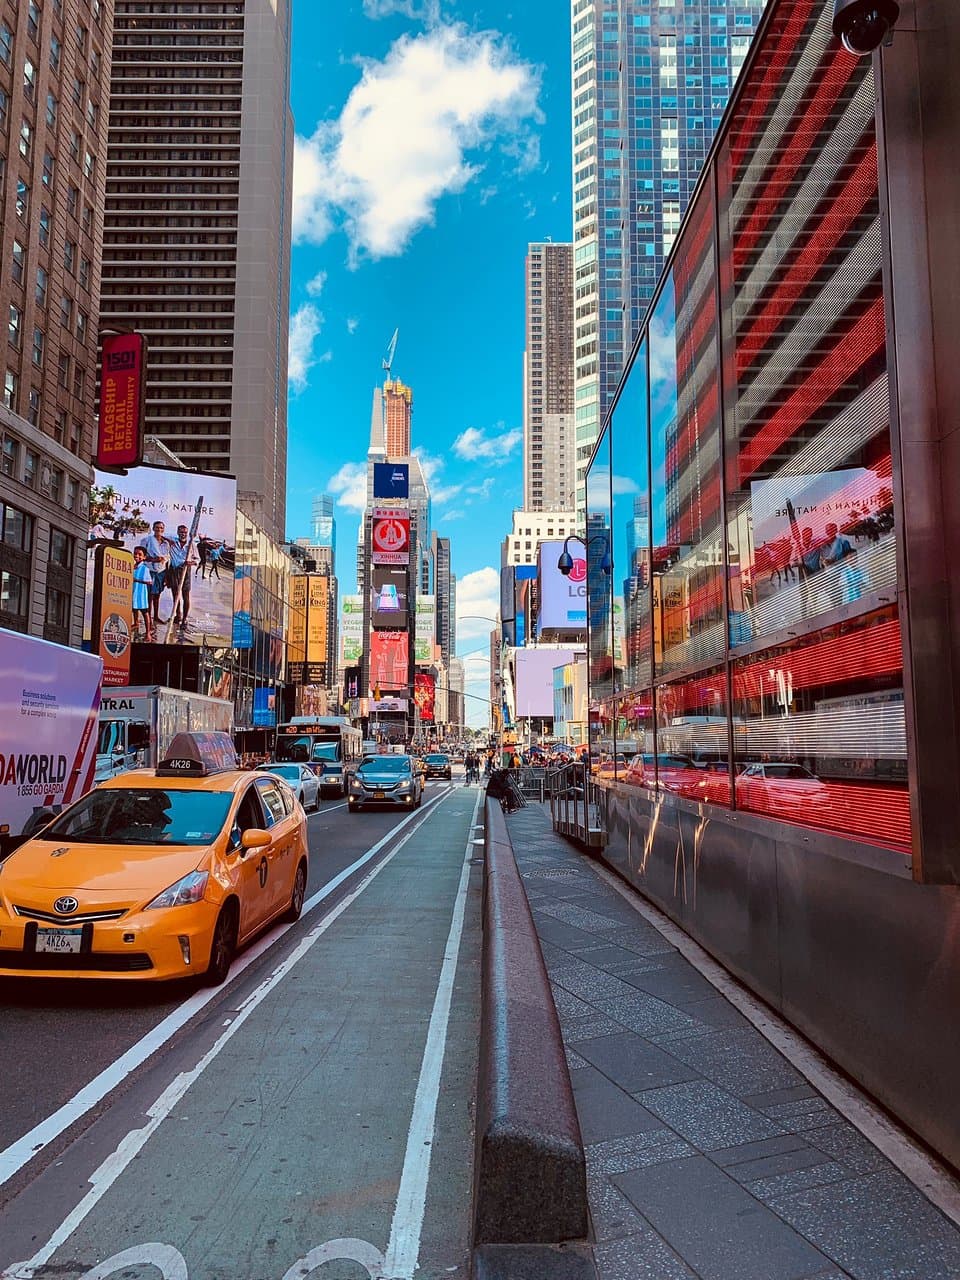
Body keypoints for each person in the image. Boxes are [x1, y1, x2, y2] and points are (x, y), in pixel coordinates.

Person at [138, 520, 171, 629]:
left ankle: (156, 616)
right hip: (150, 570)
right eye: (157, 527)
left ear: (163, 529)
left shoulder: (166, 543)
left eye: (161, 528)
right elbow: (141, 556)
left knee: (157, 595)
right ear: (153, 528)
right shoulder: (147, 540)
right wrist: (154, 559)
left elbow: (167, 559)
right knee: (150, 596)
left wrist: (166, 575)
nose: (159, 530)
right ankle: (148, 620)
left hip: (161, 572)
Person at [166, 525, 198, 634]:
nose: (183, 534)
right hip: (174, 570)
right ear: (177, 532)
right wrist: (168, 541)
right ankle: (177, 615)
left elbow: (197, 559)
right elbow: (161, 536)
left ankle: (184, 619)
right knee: (175, 594)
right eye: (181, 532)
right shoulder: (173, 542)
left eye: (184, 532)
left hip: (185, 571)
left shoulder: (191, 544)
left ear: (187, 533)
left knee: (185, 596)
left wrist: (191, 562)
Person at [131, 546, 154, 641]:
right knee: (134, 608)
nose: (137, 556)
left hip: (141, 593)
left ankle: (148, 633)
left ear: (144, 557)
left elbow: (149, 582)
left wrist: (136, 580)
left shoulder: (145, 568)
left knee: (145, 612)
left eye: (139, 554)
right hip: (133, 591)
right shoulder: (133, 566)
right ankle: (136, 623)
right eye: (135, 553)